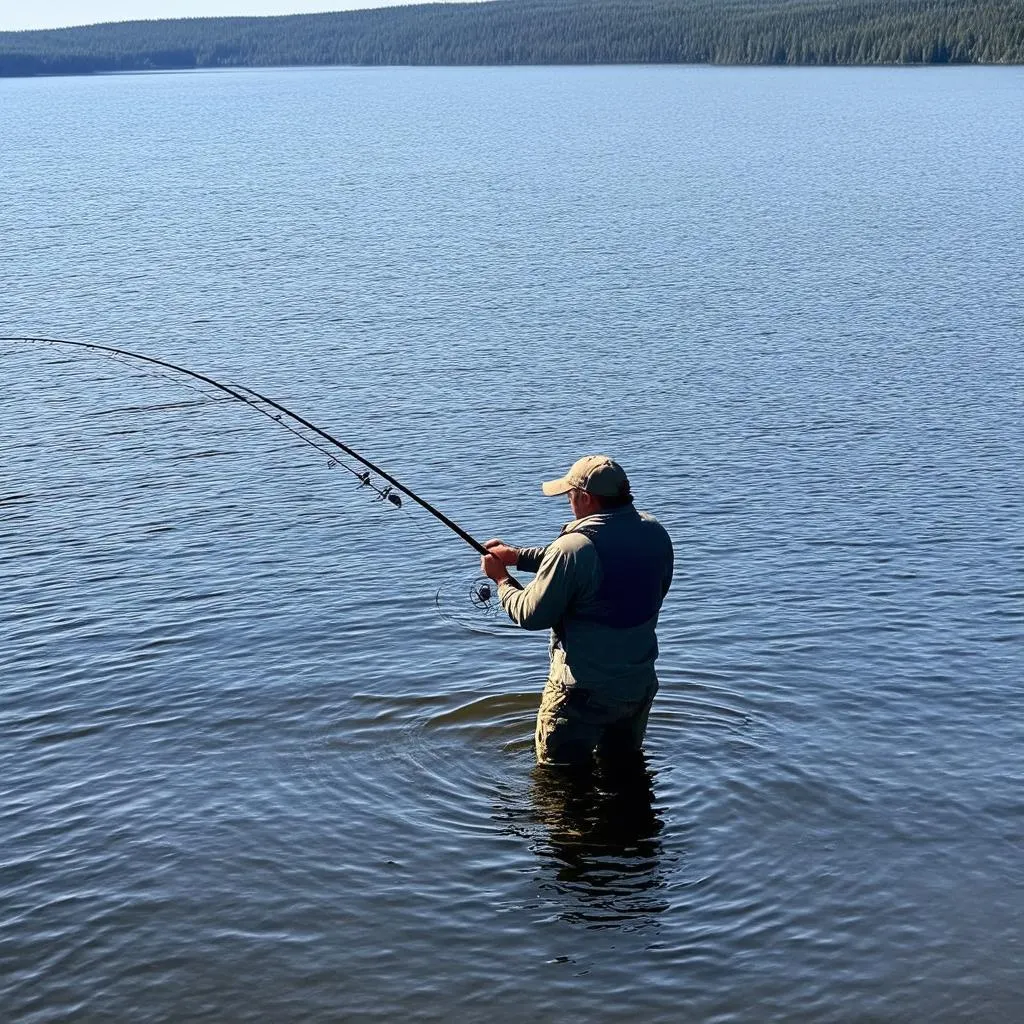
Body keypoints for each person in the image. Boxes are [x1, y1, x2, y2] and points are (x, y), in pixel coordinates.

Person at [480, 455, 674, 766]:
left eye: (570, 496)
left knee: (560, 783)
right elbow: (594, 563)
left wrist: (501, 579)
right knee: (625, 775)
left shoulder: (573, 548)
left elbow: (531, 615)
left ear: (585, 498)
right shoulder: (654, 533)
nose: (569, 503)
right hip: (637, 686)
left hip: (581, 695)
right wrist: (517, 556)